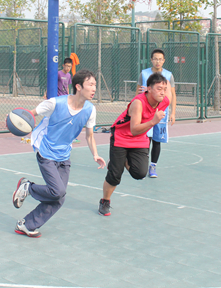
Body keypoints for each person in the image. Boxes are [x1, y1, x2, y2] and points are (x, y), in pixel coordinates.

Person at [12, 69, 106, 238]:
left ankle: (27, 224)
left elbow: (89, 135)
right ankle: (28, 187)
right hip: (46, 152)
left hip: (64, 156)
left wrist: (95, 154)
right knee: (58, 191)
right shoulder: (56, 103)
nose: (94, 89)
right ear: (78, 86)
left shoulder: (90, 110)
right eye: (91, 84)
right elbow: (29, 114)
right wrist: (14, 117)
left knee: (59, 198)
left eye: (95, 85)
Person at [99, 72, 170, 216]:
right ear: (149, 89)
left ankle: (122, 160)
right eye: (159, 89)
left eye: (164, 89)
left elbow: (140, 130)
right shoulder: (138, 103)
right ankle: (105, 201)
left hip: (140, 138)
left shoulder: (165, 101)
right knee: (115, 175)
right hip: (122, 136)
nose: (162, 92)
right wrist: (153, 122)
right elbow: (134, 129)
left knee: (140, 173)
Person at [135, 49, 176, 178]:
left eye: (160, 59)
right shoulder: (144, 74)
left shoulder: (168, 75)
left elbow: (173, 95)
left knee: (157, 141)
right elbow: (137, 93)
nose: (158, 61)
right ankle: (143, 164)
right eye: (155, 59)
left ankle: (153, 166)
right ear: (151, 60)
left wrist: (173, 113)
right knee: (146, 139)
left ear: (163, 60)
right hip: (146, 112)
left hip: (161, 113)